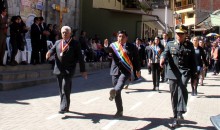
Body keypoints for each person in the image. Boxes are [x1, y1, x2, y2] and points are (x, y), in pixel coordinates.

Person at [160, 25, 197, 128]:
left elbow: (193, 62)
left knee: (183, 87)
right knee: (173, 95)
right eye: (177, 34)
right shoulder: (170, 44)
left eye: (181, 34)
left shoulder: (189, 45)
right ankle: (175, 117)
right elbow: (164, 53)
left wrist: (194, 77)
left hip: (184, 71)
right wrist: (162, 59)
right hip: (172, 72)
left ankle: (181, 109)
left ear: (185, 34)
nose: (179, 36)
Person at [46, 26, 87, 114]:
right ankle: (65, 106)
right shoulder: (57, 42)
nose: (64, 34)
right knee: (62, 89)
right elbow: (52, 50)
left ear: (70, 33)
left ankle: (63, 107)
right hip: (59, 69)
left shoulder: (75, 43)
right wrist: (48, 53)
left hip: (69, 69)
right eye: (63, 32)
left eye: (66, 32)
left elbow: (80, 57)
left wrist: (83, 70)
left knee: (65, 87)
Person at [108, 30, 141, 118]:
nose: (120, 38)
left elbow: (136, 59)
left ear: (126, 38)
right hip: (115, 70)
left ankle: (114, 91)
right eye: (119, 36)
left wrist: (138, 70)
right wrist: (104, 46)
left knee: (120, 83)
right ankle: (119, 110)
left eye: (122, 36)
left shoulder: (132, 47)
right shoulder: (114, 45)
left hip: (126, 70)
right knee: (117, 92)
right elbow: (107, 50)